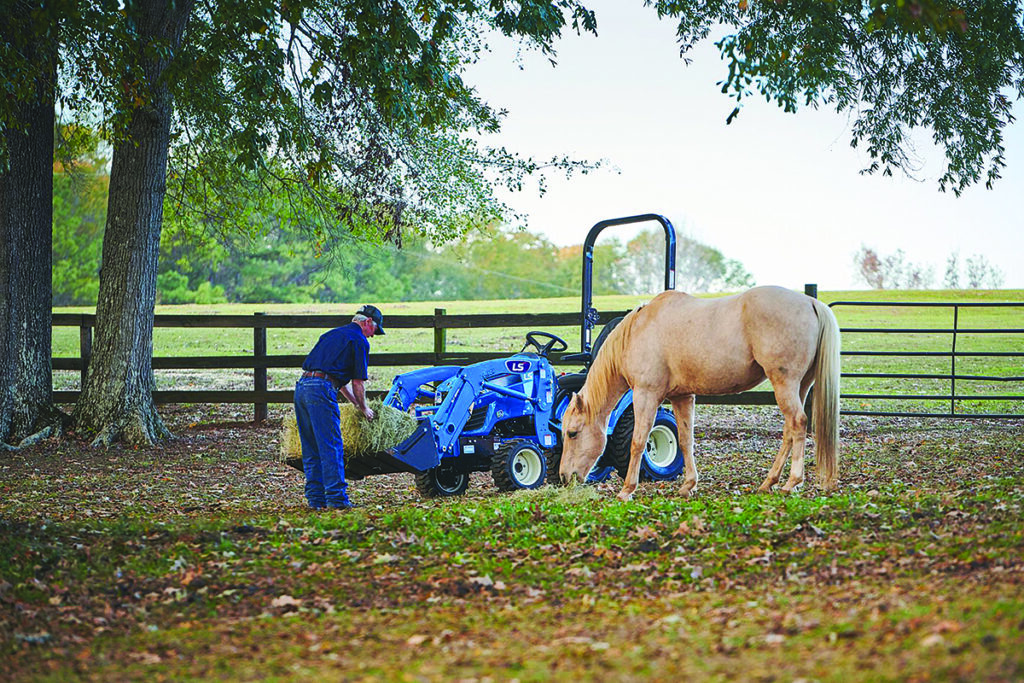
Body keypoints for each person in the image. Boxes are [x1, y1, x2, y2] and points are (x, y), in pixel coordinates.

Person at [293, 305, 385, 510]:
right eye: (375, 330)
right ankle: (337, 499)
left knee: (311, 447)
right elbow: (358, 382)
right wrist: (364, 408)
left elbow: (339, 381)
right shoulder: (359, 340)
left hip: (302, 387)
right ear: (367, 322)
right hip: (321, 390)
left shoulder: (331, 335)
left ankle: (316, 499)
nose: (373, 336)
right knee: (331, 445)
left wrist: (354, 403)